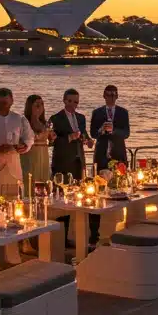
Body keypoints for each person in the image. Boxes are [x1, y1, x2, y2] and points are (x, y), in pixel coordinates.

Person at [50, 88, 93, 248]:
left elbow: (84, 134)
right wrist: (69, 137)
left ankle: (78, 235)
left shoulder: (81, 118)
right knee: (62, 199)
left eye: (75, 102)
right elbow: (52, 141)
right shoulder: (56, 118)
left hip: (78, 161)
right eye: (70, 101)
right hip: (62, 162)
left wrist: (88, 141)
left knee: (78, 196)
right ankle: (62, 237)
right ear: (64, 100)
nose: (73, 105)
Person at [89, 84, 130, 245]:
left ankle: (122, 228)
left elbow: (126, 133)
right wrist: (101, 130)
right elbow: (92, 133)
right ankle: (94, 234)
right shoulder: (97, 112)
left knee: (122, 192)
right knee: (97, 193)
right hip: (101, 157)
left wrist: (113, 131)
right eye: (109, 95)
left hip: (119, 157)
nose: (112, 98)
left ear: (117, 96)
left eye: (114, 95)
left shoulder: (123, 112)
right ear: (104, 96)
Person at [21, 94, 52, 185]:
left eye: (42, 104)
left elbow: (50, 142)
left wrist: (52, 138)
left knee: (44, 181)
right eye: (37, 105)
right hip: (30, 155)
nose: (40, 107)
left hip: (43, 154)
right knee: (30, 180)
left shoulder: (45, 123)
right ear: (30, 107)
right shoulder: (24, 122)